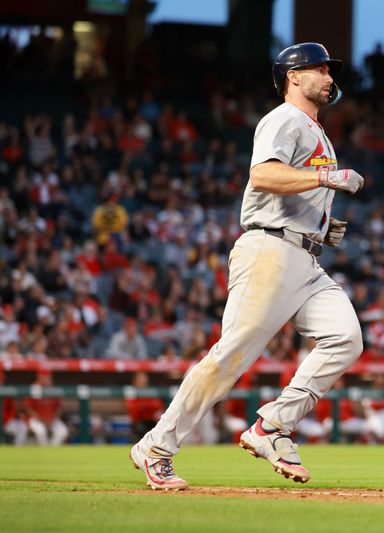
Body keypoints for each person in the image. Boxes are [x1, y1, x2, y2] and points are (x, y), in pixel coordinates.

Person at [130, 42, 365, 490]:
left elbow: (291, 188)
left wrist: (323, 224)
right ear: (293, 77)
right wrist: (326, 178)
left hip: (304, 257)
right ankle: (156, 446)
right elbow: (262, 175)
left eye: (328, 70)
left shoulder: (317, 130)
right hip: (269, 251)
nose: (329, 77)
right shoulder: (284, 119)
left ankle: (271, 426)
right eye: (318, 69)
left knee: (346, 338)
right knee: (232, 355)